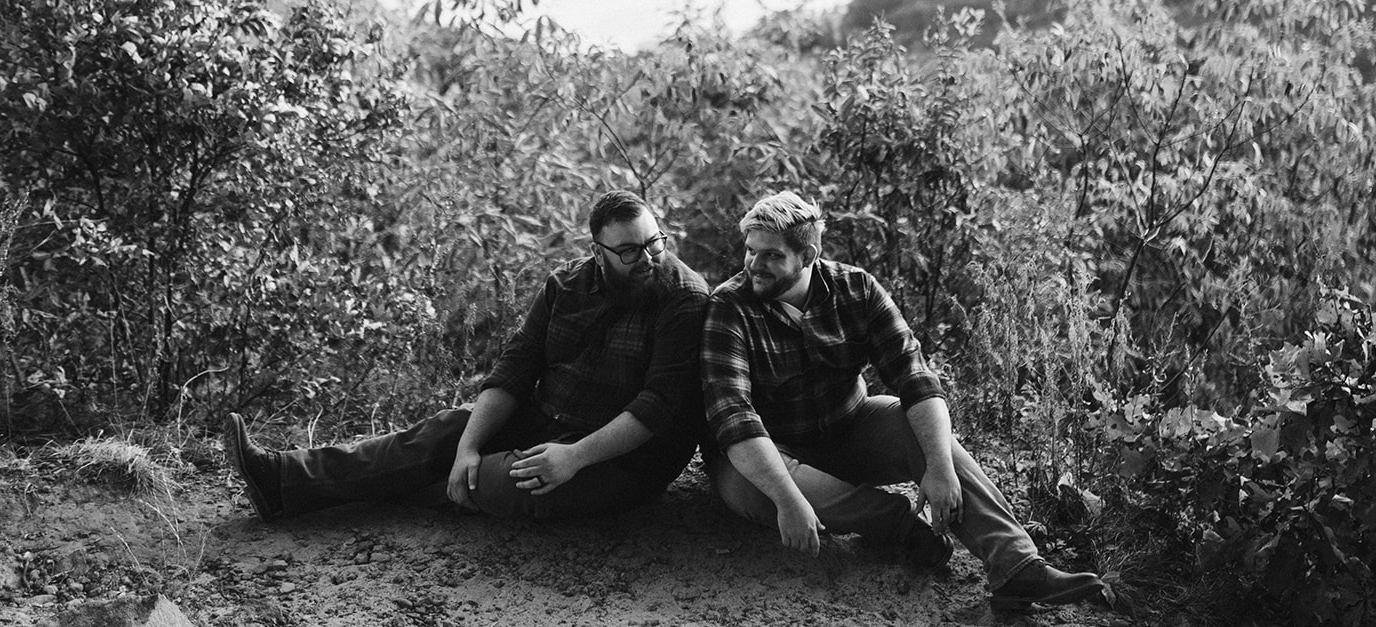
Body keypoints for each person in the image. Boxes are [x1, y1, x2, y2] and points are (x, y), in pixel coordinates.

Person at [700, 190, 1107, 609]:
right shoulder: (729, 307)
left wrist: (939, 466)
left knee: (918, 429)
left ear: (808, 254)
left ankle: (1018, 568)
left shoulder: (856, 288)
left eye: (770, 256)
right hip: (771, 450)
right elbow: (735, 418)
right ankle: (899, 525)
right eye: (750, 252)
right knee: (747, 486)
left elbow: (913, 375)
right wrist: (788, 500)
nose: (754, 265)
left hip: (850, 426)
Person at [224, 189, 709, 523]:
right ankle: (281, 478)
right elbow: (516, 369)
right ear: (598, 251)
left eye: (654, 242)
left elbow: (656, 406)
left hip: (622, 458)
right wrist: (467, 448)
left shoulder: (684, 296)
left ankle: (407, 486)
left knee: (500, 484)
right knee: (442, 434)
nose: (647, 258)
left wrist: (574, 458)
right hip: (546, 418)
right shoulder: (566, 285)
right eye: (629, 251)